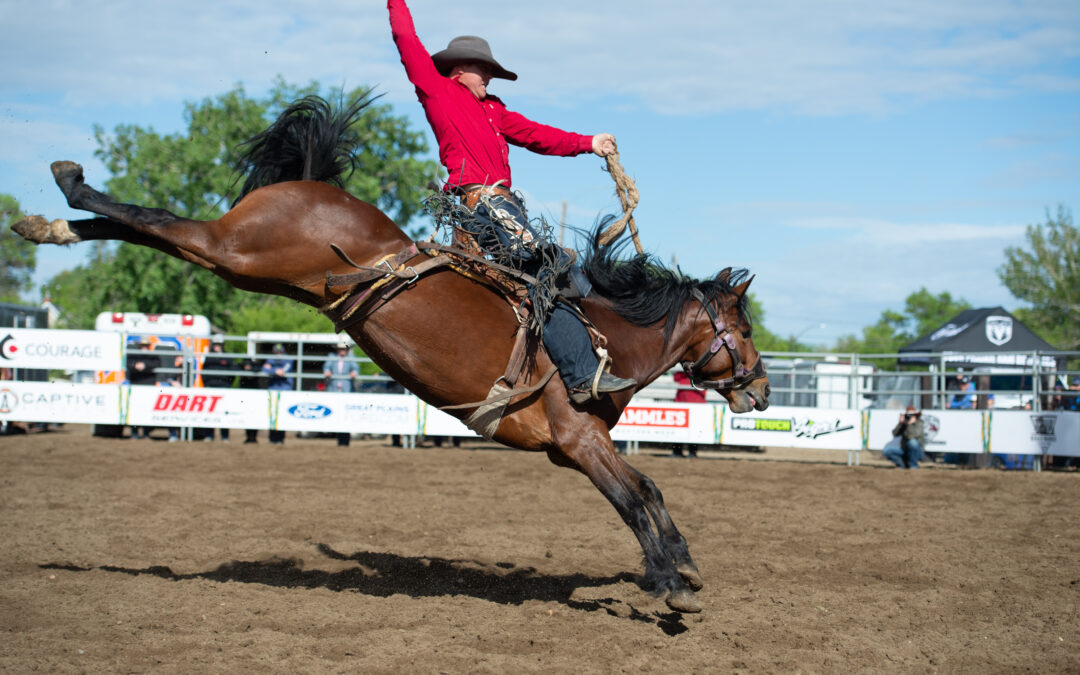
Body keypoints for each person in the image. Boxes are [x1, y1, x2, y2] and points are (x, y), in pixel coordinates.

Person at [387, 0, 636, 406]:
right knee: (548, 269)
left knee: (561, 271)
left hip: (504, 208)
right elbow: (405, 39)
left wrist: (587, 143)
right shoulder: (437, 90)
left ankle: (593, 352)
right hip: (482, 204)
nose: (489, 75)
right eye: (483, 68)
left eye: (490, 70)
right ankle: (580, 373)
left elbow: (536, 134)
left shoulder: (494, 110)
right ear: (458, 69)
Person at [201, 336, 239, 442]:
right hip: (211, 387)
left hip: (224, 388)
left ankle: (225, 436)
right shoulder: (209, 357)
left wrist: (227, 384)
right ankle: (209, 435)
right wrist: (207, 384)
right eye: (216, 345)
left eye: (219, 345)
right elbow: (203, 372)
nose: (217, 347)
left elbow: (232, 373)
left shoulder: (227, 357)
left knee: (224, 413)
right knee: (210, 413)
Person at [323, 341, 359, 447]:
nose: (342, 351)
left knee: (345, 414)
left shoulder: (351, 357)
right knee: (335, 413)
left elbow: (356, 368)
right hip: (334, 388)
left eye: (344, 349)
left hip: (346, 389)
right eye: (341, 349)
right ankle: (334, 436)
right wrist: (327, 371)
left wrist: (354, 373)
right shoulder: (332, 356)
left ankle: (344, 439)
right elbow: (326, 367)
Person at [126, 338, 159, 439]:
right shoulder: (133, 355)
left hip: (148, 386)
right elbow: (128, 364)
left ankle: (146, 432)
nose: (144, 347)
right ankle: (134, 432)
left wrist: (145, 365)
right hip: (136, 385)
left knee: (147, 409)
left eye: (146, 345)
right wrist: (135, 365)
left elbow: (157, 363)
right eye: (142, 345)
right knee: (134, 410)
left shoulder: (152, 355)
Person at [262, 344, 294, 444]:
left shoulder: (288, 359)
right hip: (273, 388)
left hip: (285, 388)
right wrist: (275, 370)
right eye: (277, 352)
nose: (279, 354)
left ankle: (280, 438)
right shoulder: (271, 359)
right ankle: (272, 437)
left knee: (282, 414)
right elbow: (264, 369)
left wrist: (272, 369)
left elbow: (286, 369)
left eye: (280, 352)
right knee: (272, 413)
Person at [670, 371, 705, 458]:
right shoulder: (683, 372)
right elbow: (676, 377)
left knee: (694, 430)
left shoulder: (701, 371)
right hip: (681, 402)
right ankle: (677, 452)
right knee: (678, 430)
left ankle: (692, 452)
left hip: (696, 404)